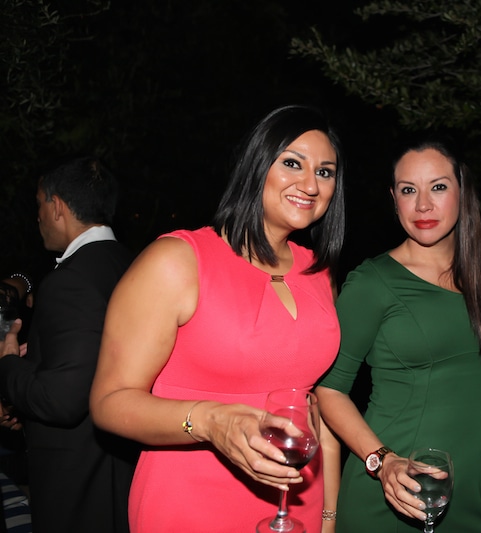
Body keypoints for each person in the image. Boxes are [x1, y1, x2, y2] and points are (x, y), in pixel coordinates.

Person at [89, 105, 345, 533]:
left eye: (326, 172)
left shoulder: (319, 273)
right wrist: (210, 420)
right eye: (292, 163)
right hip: (190, 504)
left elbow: (318, 406)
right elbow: (109, 402)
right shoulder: (177, 261)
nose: (310, 184)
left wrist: (329, 515)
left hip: (295, 501)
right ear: (256, 165)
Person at [316, 140, 481, 532]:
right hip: (396, 496)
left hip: (476, 494)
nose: (423, 205)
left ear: (463, 192)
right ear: (394, 199)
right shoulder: (372, 282)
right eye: (408, 190)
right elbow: (329, 389)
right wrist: (383, 461)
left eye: (439, 187)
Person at [0, 157, 139, 532]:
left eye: (39, 205)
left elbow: (62, 400)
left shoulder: (69, 280)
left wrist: (9, 362)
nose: (38, 218)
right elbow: (93, 365)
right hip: (126, 474)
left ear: (57, 205)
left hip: (79, 486)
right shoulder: (133, 265)